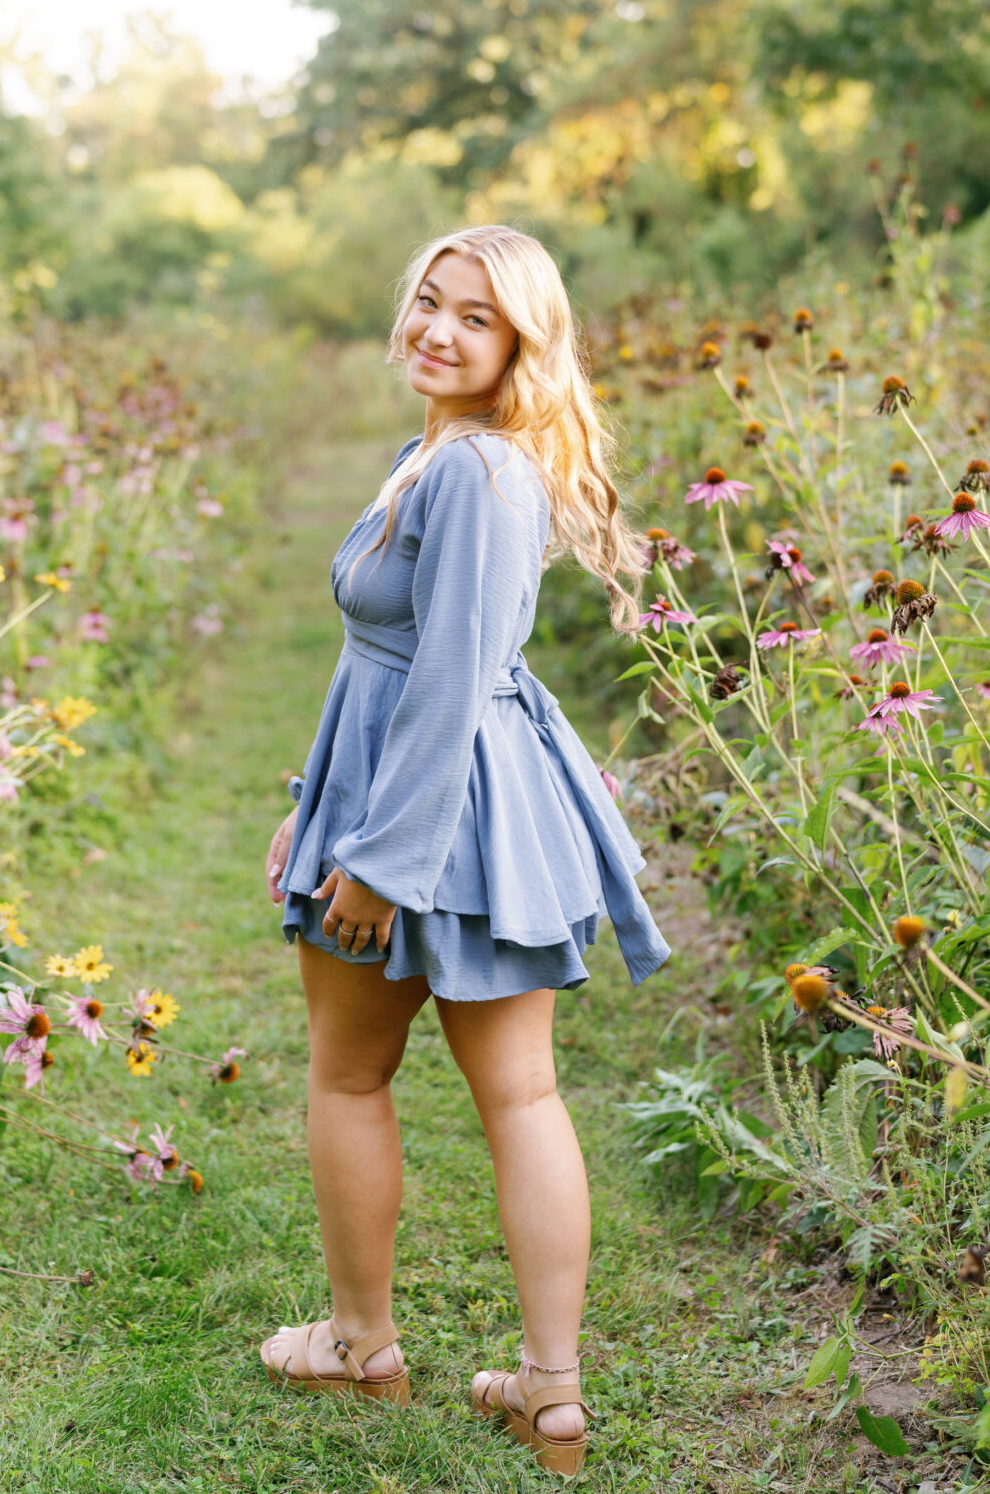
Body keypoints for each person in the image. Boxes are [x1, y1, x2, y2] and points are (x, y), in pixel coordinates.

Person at [260, 223, 670, 1479]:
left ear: (521, 346)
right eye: (431, 302)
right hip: (412, 795)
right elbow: (385, 675)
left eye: (475, 318)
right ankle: (512, 1384)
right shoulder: (436, 455)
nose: (438, 329)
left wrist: (380, 859)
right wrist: (313, 804)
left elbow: (445, 683)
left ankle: (380, 1346)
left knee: (389, 1083)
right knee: (497, 1092)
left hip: (444, 815)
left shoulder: (479, 474)